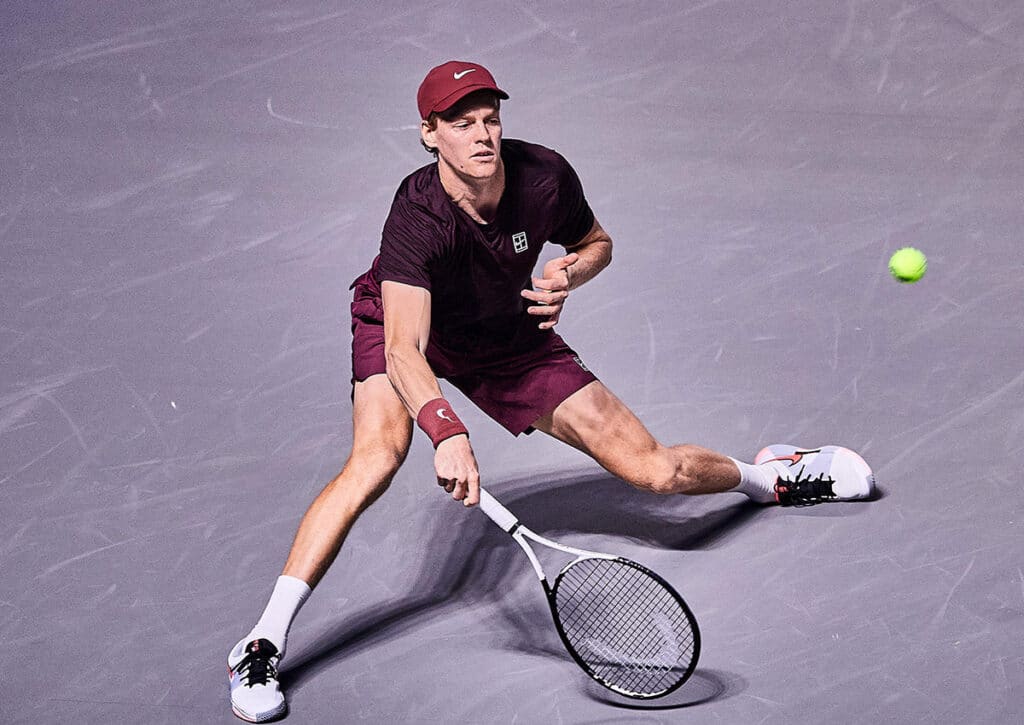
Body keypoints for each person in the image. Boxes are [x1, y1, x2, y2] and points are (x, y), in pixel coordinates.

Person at [226, 60, 874, 722]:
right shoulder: (418, 215)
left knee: (655, 470)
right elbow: (403, 350)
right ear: (429, 133)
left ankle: (771, 477)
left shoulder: (543, 176)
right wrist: (446, 430)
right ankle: (261, 642)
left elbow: (596, 242)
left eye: (490, 119)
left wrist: (573, 272)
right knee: (375, 459)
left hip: (505, 335)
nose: (482, 135)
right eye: (461, 123)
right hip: (405, 324)